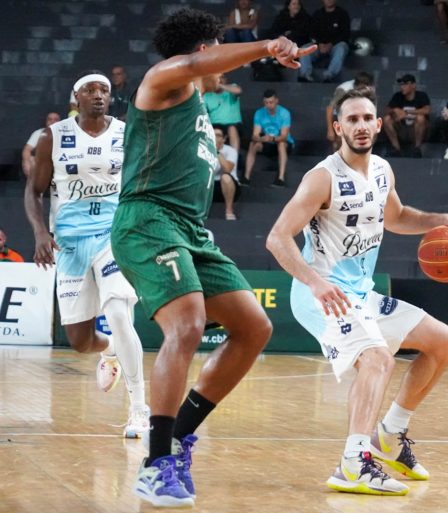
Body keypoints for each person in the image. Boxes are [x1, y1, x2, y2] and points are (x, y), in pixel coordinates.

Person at [109, 8, 313, 507]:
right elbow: (194, 66)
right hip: (148, 220)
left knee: (254, 327)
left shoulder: (200, 104)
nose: (223, 64)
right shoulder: (163, 81)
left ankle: (180, 437)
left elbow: (204, 73)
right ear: (204, 49)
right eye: (218, 50)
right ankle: (156, 464)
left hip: (191, 230)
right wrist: (266, 46)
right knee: (187, 325)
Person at [266, 87, 448, 496]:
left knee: (444, 342)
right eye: (352, 119)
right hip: (321, 294)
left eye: (367, 118)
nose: (360, 126)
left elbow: (397, 217)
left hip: (361, 294)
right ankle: (353, 463)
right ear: (337, 127)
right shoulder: (322, 178)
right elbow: (277, 238)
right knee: (378, 359)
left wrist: (441, 220)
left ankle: (389, 436)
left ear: (379, 124)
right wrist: (315, 282)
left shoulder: (382, 170)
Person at [23, 71, 149, 438]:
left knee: (119, 313)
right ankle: (109, 350)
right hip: (70, 241)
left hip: (114, 235)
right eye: (90, 90)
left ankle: (139, 409)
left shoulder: (126, 133)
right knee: (80, 341)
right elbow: (34, 190)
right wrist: (40, 232)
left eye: (104, 90)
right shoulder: (53, 136)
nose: (98, 95)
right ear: (76, 97)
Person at [243, 88, 294, 187]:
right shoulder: (259, 113)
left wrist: (272, 138)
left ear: (276, 101)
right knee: (253, 144)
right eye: (266, 102)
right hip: (267, 142)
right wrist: (260, 139)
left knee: (281, 144)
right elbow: (255, 135)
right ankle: (246, 177)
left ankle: (281, 178)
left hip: (283, 142)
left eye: (271, 102)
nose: (268, 105)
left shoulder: (285, 113)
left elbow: (284, 136)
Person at [298, 0, 350, 83]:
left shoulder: (342, 14)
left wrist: (331, 44)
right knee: (304, 49)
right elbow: (311, 33)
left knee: (342, 47)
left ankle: (329, 76)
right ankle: (305, 75)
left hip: (335, 45)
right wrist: (318, 44)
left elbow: (345, 34)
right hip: (319, 46)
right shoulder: (318, 14)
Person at [382, 73, 431, 158]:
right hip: (402, 130)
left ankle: (417, 148)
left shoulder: (421, 96)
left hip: (417, 131)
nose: (402, 87)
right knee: (387, 119)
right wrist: (394, 110)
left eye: (405, 84)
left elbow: (427, 110)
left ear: (413, 85)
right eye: (401, 85)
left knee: (420, 118)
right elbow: (386, 110)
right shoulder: (398, 96)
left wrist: (406, 113)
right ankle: (396, 148)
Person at [325, 71, 375, 151]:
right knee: (341, 141)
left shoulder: (370, 89)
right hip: (340, 115)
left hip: (358, 114)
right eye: (362, 87)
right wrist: (330, 130)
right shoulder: (344, 89)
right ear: (357, 84)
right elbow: (330, 108)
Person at [203, 74, 243, 153]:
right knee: (211, 131)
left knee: (232, 129)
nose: (219, 80)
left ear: (226, 79)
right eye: (217, 78)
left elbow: (239, 91)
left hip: (232, 123)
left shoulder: (231, 88)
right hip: (215, 124)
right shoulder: (207, 95)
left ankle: (234, 157)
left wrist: (220, 85)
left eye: (221, 78)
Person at [22, 112, 61, 178]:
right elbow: (27, 149)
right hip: (43, 162)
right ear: (46, 121)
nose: (52, 122)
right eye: (50, 119)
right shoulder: (39, 132)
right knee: (31, 159)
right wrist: (26, 162)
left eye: (55, 120)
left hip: (60, 162)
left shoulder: (66, 134)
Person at [213, 127, 241, 220]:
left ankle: (229, 210)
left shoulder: (230, 151)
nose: (215, 137)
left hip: (229, 186)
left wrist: (216, 151)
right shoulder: (203, 150)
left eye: (218, 135)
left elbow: (227, 169)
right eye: (212, 135)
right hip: (210, 186)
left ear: (224, 138)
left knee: (225, 177)